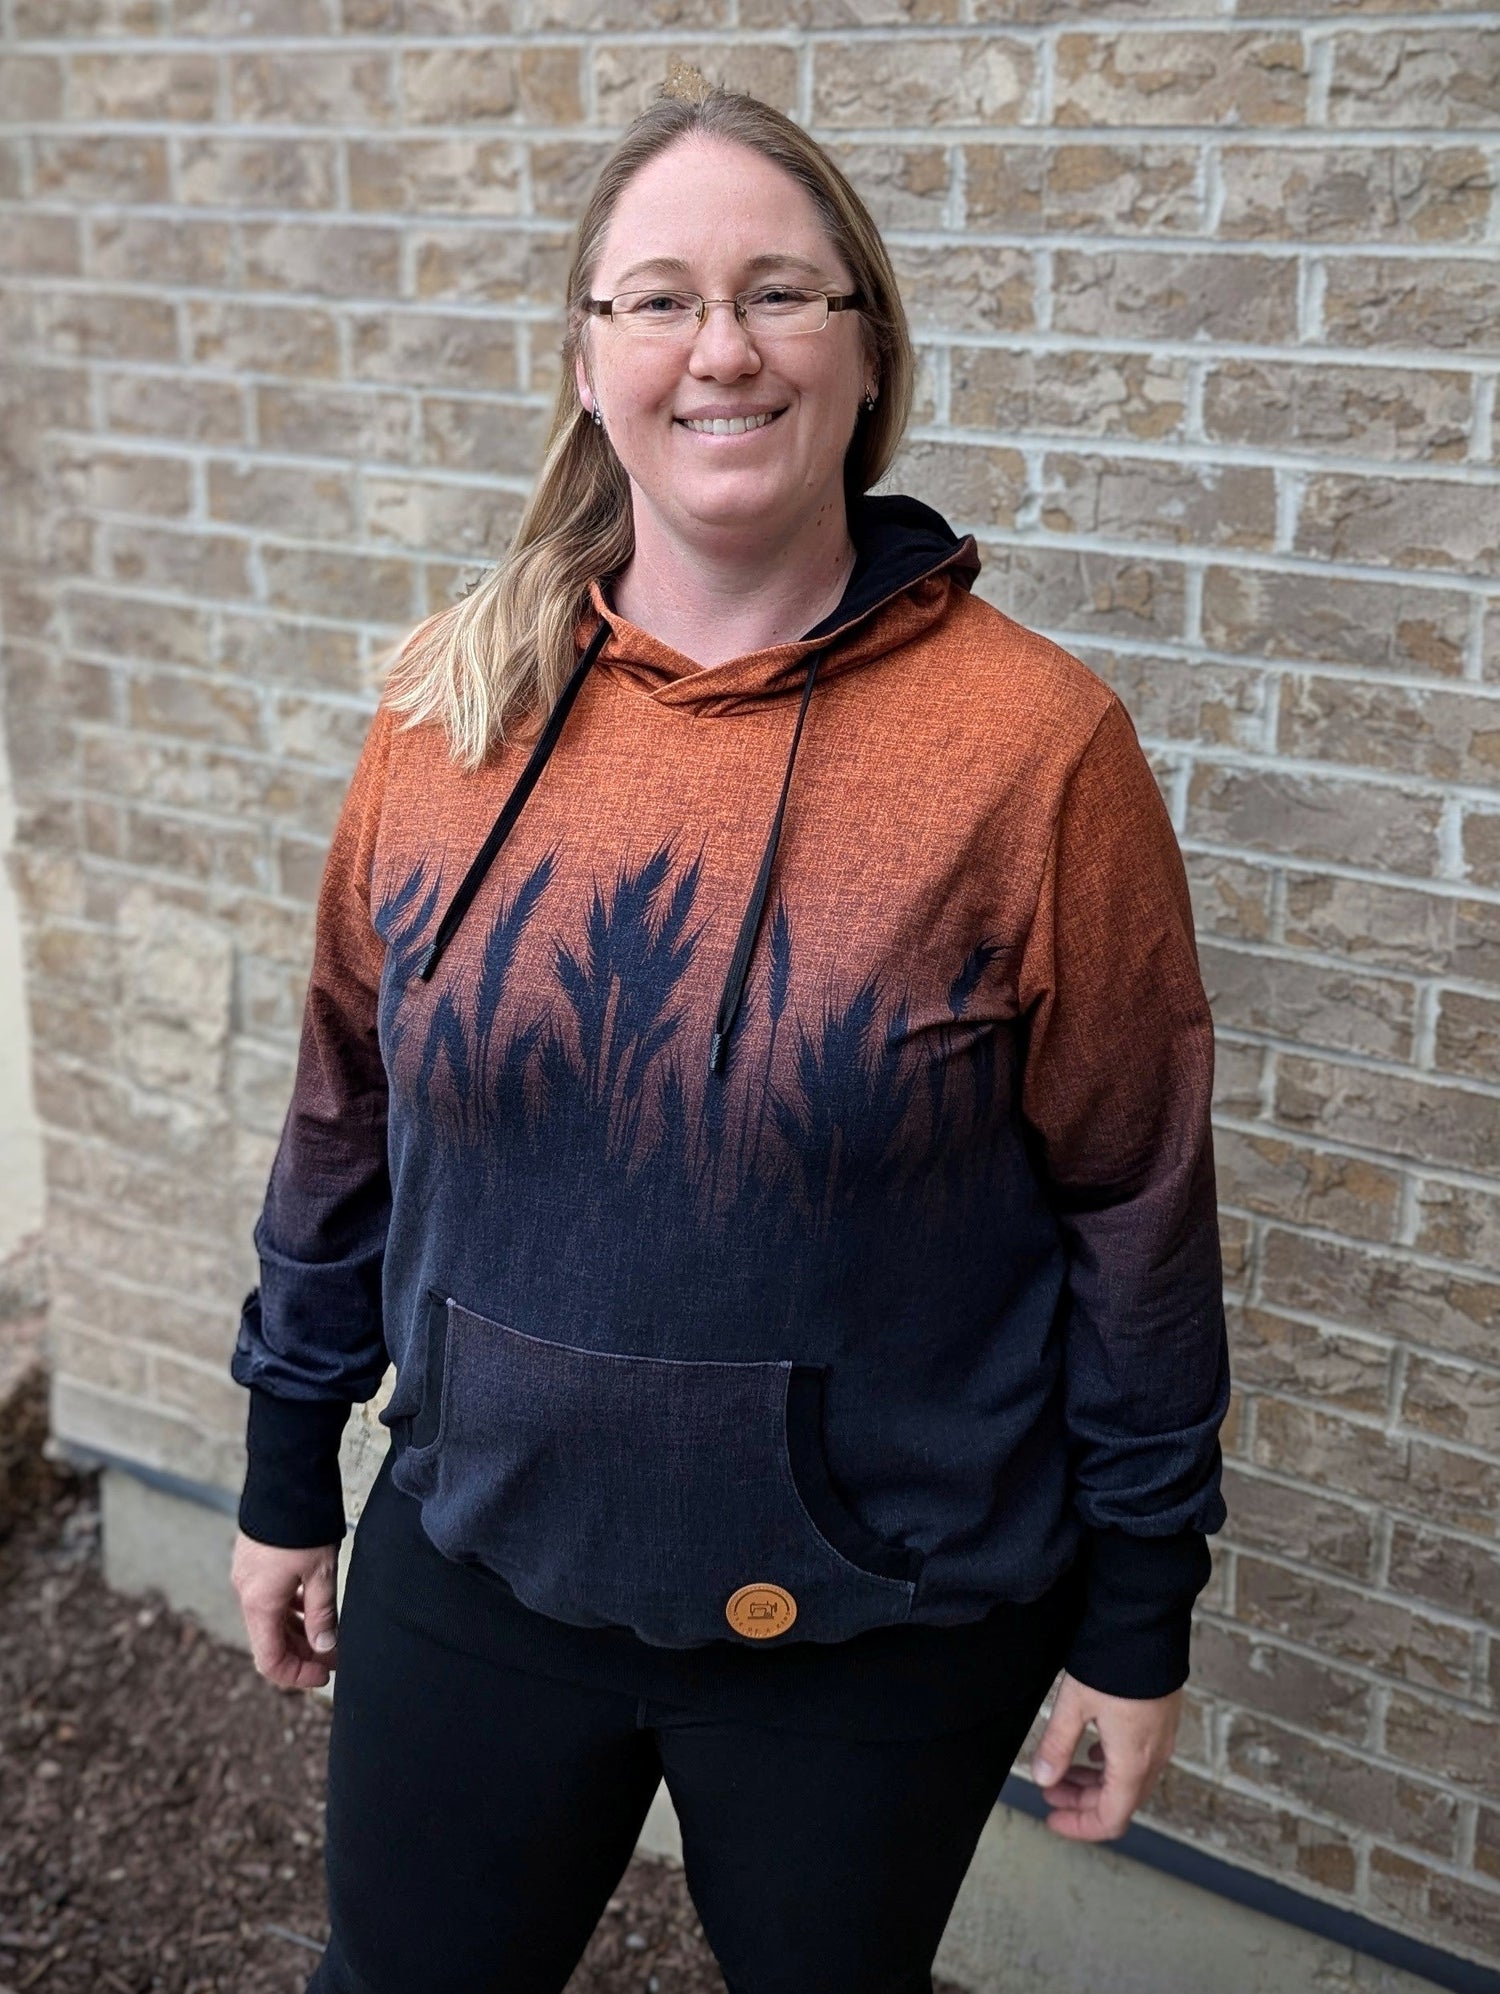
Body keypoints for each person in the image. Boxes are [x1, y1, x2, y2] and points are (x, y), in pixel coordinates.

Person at [228, 76, 1230, 1994]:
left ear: (866, 347)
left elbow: (1136, 1200)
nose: (723, 349)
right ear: (588, 359)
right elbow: (345, 1104)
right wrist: (286, 1455)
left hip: (882, 1615)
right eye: (662, 299)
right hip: (479, 1549)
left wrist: (1139, 1606)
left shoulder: (1034, 750)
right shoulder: (451, 710)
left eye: (779, 292)